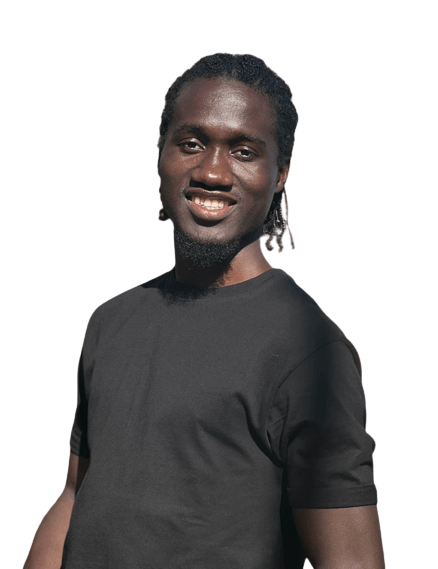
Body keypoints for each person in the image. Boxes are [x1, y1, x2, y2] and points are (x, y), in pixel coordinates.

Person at [24, 53, 385, 569]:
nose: (213, 171)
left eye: (244, 151)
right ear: (160, 155)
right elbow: (76, 496)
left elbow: (352, 563)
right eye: (192, 144)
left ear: (279, 174)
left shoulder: (309, 351)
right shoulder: (111, 322)